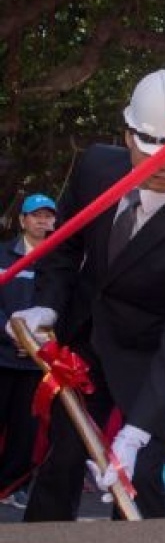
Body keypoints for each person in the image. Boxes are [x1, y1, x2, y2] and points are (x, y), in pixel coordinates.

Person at [8, 70, 165, 521]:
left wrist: (135, 432)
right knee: (62, 459)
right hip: (86, 343)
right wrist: (49, 304)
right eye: (157, 152)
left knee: (141, 476)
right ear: (129, 134)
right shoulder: (96, 169)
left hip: (149, 364)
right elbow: (64, 245)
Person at [0, 193, 57, 508]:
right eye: (37, 216)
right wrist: (14, 337)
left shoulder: (58, 262)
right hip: (2, 354)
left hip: (36, 362)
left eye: (49, 217)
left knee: (25, 429)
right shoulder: (3, 255)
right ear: (22, 220)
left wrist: (36, 344)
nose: (43, 222)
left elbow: (61, 306)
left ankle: (13, 487)